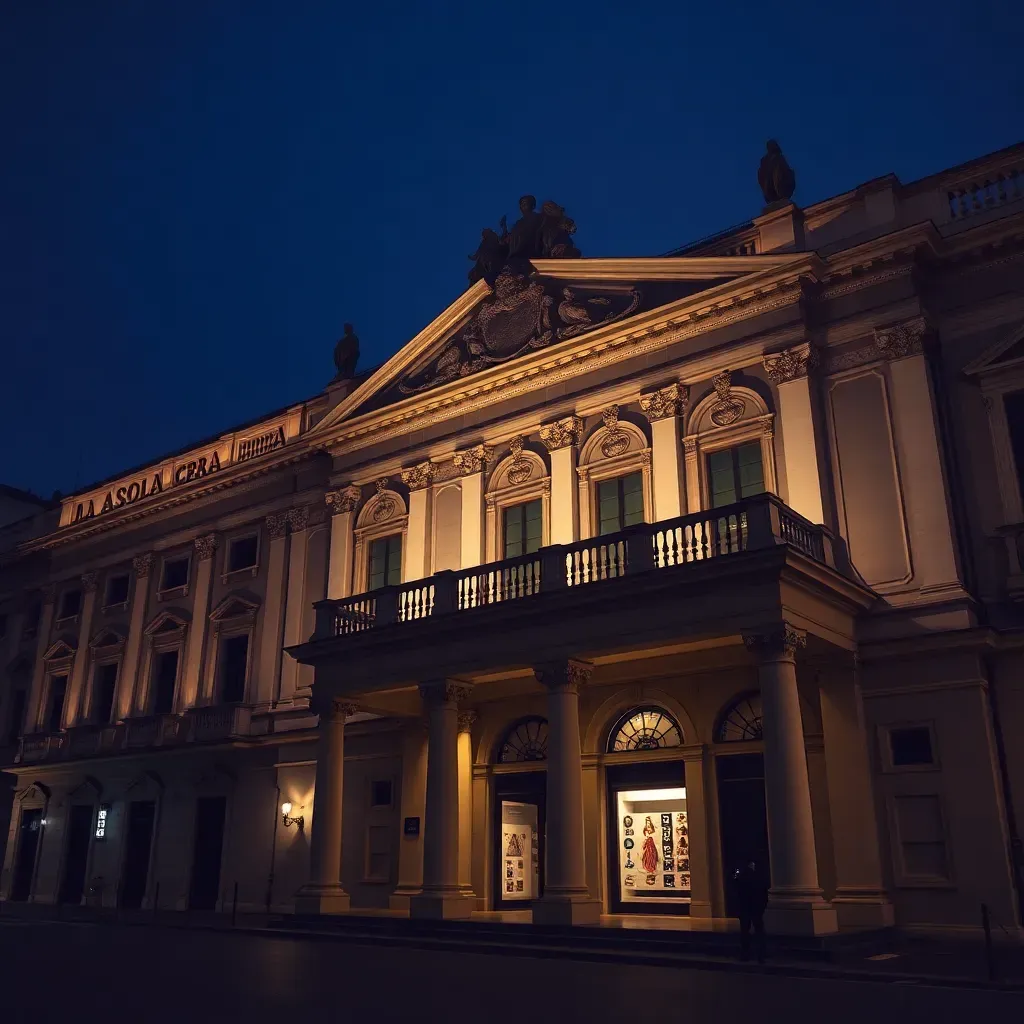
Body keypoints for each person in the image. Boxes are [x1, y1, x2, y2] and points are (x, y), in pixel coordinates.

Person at [733, 861, 768, 963]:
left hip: (745, 909)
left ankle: (745, 954)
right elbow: (763, 895)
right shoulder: (759, 879)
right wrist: (762, 908)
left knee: (745, 932)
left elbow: (738, 895)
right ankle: (760, 955)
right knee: (759, 931)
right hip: (756, 909)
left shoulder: (741, 879)